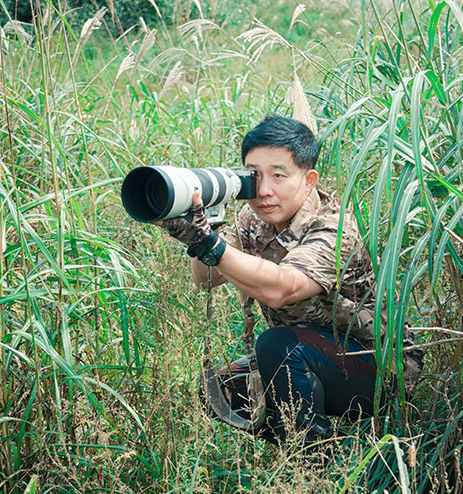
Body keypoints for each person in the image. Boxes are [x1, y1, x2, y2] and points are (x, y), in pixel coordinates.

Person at [160, 114, 378, 447]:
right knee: (218, 390)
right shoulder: (254, 220)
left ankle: (312, 461)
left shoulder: (336, 229)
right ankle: (310, 440)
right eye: (253, 176)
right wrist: (198, 234)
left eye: (279, 176)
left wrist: (208, 244)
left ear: (309, 180)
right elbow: (206, 278)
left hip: (374, 367)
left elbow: (282, 290)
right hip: (310, 350)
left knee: (276, 346)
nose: (263, 190)